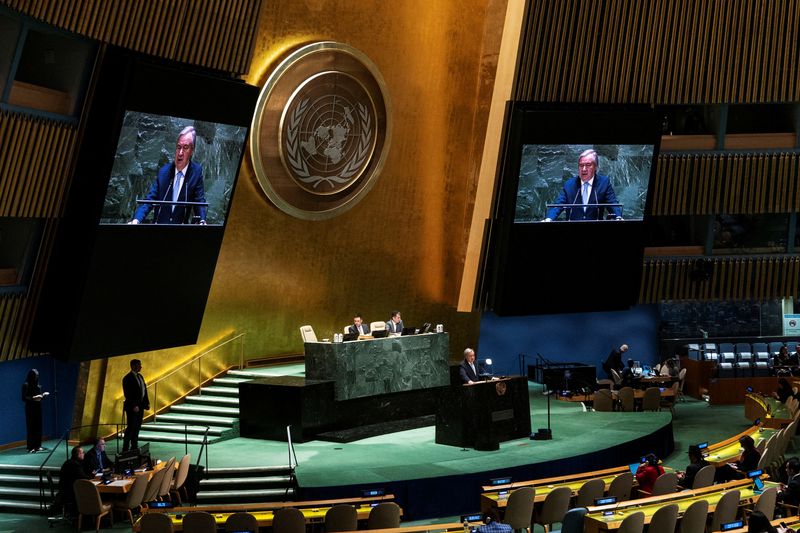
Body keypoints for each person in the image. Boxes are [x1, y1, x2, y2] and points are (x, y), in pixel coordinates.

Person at [129, 126, 207, 225]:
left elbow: (199, 201)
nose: (180, 153)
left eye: (185, 148)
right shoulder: (164, 172)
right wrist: (137, 220)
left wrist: (202, 220)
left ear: (192, 150)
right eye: (178, 147)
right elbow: (149, 200)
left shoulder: (196, 172)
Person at [544, 149, 622, 222]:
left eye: (588, 165)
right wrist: (549, 219)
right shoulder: (569, 185)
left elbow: (613, 204)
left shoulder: (604, 183)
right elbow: (557, 205)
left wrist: (618, 217)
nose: (584, 169)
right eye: (581, 165)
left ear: (596, 167)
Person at [122, 359, 150, 452]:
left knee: (137, 427)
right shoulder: (127, 378)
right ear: (133, 366)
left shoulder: (140, 376)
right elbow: (128, 394)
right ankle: (125, 448)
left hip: (140, 407)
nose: (141, 367)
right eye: (139, 365)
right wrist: (134, 405)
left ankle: (134, 446)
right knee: (131, 427)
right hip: (132, 408)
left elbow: (144, 391)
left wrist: (147, 403)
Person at [57, 446, 91, 517]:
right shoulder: (75, 465)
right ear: (78, 454)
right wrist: (93, 477)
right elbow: (83, 477)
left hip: (64, 490)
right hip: (69, 492)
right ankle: (88, 514)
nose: (84, 454)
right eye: (82, 453)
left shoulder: (69, 462)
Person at [21, 369, 48, 453]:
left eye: (37, 375)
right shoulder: (26, 385)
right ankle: (30, 447)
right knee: (31, 427)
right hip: (30, 408)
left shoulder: (38, 386)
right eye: (35, 375)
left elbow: (39, 397)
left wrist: (42, 396)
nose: (37, 377)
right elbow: (24, 398)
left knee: (38, 426)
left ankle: (37, 446)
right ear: (31, 376)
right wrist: (33, 397)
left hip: (37, 407)